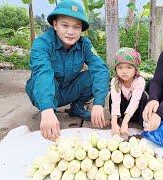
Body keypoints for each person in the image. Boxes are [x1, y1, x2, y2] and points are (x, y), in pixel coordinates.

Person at [25, 0, 110, 141]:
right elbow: (42, 74)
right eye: (65, 25)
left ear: (81, 29)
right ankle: (49, 110)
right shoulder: (42, 44)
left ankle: (77, 107)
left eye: (76, 27)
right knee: (39, 79)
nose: (70, 32)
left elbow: (100, 69)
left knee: (99, 75)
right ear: (55, 24)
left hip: (69, 89)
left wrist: (99, 103)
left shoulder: (84, 44)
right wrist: (46, 111)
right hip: (48, 92)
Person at [109, 47, 148, 137]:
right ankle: (117, 120)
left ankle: (140, 122)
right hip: (121, 111)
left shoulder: (139, 81)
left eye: (129, 67)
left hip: (135, 112)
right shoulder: (115, 81)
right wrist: (114, 124)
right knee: (112, 95)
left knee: (143, 97)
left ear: (135, 69)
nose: (124, 71)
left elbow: (135, 102)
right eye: (120, 67)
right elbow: (115, 102)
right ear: (116, 69)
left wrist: (125, 123)